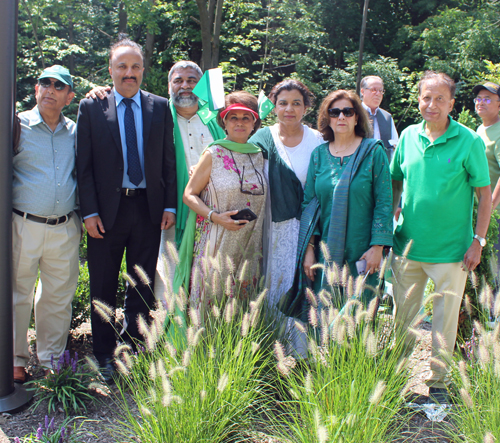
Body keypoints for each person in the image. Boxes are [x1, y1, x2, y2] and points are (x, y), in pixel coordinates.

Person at [76, 37, 176, 382]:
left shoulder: (160, 107)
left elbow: (167, 161)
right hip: (105, 213)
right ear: (111, 70)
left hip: (148, 210)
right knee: (102, 286)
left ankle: (132, 349)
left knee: (141, 285)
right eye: (122, 66)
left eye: (135, 67)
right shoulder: (92, 108)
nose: (129, 73)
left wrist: (169, 204)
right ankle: (104, 355)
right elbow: (83, 166)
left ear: (144, 70)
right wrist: (89, 212)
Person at [84, 61, 226, 299]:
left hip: (214, 213)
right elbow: (122, 108)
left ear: (201, 85)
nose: (185, 86)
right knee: (169, 279)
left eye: (191, 80)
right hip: (172, 213)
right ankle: (173, 331)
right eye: (178, 81)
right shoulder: (158, 114)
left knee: (211, 276)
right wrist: (101, 92)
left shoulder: (216, 118)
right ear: (169, 85)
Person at [391, 71, 491, 404]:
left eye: (439, 99)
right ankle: (396, 376)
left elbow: (484, 194)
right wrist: (392, 216)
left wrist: (479, 239)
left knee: (444, 324)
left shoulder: (469, 141)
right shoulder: (407, 136)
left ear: (451, 103)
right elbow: (395, 181)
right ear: (418, 99)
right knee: (402, 317)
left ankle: (438, 383)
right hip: (408, 246)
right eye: (425, 97)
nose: (431, 105)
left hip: (452, 251)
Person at [280, 89, 393, 320]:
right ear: (327, 118)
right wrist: (310, 250)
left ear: (357, 117)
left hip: (363, 251)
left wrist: (378, 247)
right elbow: (309, 205)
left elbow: (384, 201)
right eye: (335, 112)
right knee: (327, 313)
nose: (341, 117)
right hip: (328, 250)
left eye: (348, 112)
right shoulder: (319, 155)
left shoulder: (373, 152)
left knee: (359, 316)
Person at [13, 65, 80, 383]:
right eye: (44, 83)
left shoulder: (77, 131)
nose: (50, 89)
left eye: (58, 85)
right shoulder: (16, 126)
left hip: (64, 226)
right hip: (22, 224)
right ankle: (13, 359)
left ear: (69, 96)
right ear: (36, 89)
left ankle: (52, 360)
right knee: (16, 292)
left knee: (58, 295)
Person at [249, 80, 323, 355]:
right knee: (272, 287)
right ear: (274, 105)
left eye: (296, 103)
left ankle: (302, 354)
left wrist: (311, 243)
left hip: (307, 229)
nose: (289, 109)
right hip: (269, 229)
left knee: (303, 289)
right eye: (283, 103)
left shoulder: (318, 140)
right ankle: (270, 353)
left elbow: (320, 190)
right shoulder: (261, 139)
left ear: (306, 107)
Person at [177, 91, 266, 314]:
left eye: (246, 117)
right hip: (217, 244)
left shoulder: (260, 155)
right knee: (211, 307)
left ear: (255, 123)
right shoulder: (213, 153)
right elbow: (189, 194)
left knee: (243, 311)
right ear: (223, 122)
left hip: (250, 246)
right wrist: (214, 216)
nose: (239, 122)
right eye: (232, 117)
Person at [473, 81, 500, 269]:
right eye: (479, 98)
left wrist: (490, 206)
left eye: (488, 99)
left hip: (495, 212)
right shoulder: (480, 129)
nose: (481, 102)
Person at [360, 76, 399, 160]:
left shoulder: (387, 117)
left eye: (381, 91)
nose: (378, 94)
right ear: (362, 91)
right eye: (373, 90)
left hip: (382, 167)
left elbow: (395, 146)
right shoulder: (353, 114)